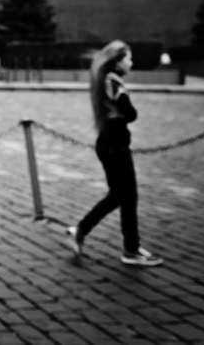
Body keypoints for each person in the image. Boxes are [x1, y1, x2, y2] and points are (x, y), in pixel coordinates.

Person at [66, 40, 163, 267]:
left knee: (119, 196)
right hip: (116, 146)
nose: (132, 62)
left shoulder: (104, 79)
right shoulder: (113, 81)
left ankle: (81, 231)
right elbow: (130, 114)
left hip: (108, 144)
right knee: (127, 197)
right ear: (118, 61)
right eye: (128, 58)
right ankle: (130, 250)